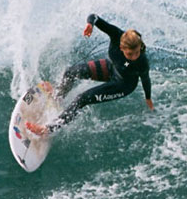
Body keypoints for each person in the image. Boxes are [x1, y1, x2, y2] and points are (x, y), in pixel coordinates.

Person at [26, 13, 154, 135]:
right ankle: (58, 97)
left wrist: (148, 98)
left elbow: (145, 79)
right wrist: (90, 24)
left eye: (137, 52)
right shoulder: (117, 35)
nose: (135, 56)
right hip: (111, 68)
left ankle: (48, 129)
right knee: (71, 72)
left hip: (123, 84)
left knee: (83, 98)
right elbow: (95, 17)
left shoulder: (141, 62)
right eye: (130, 54)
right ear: (121, 48)